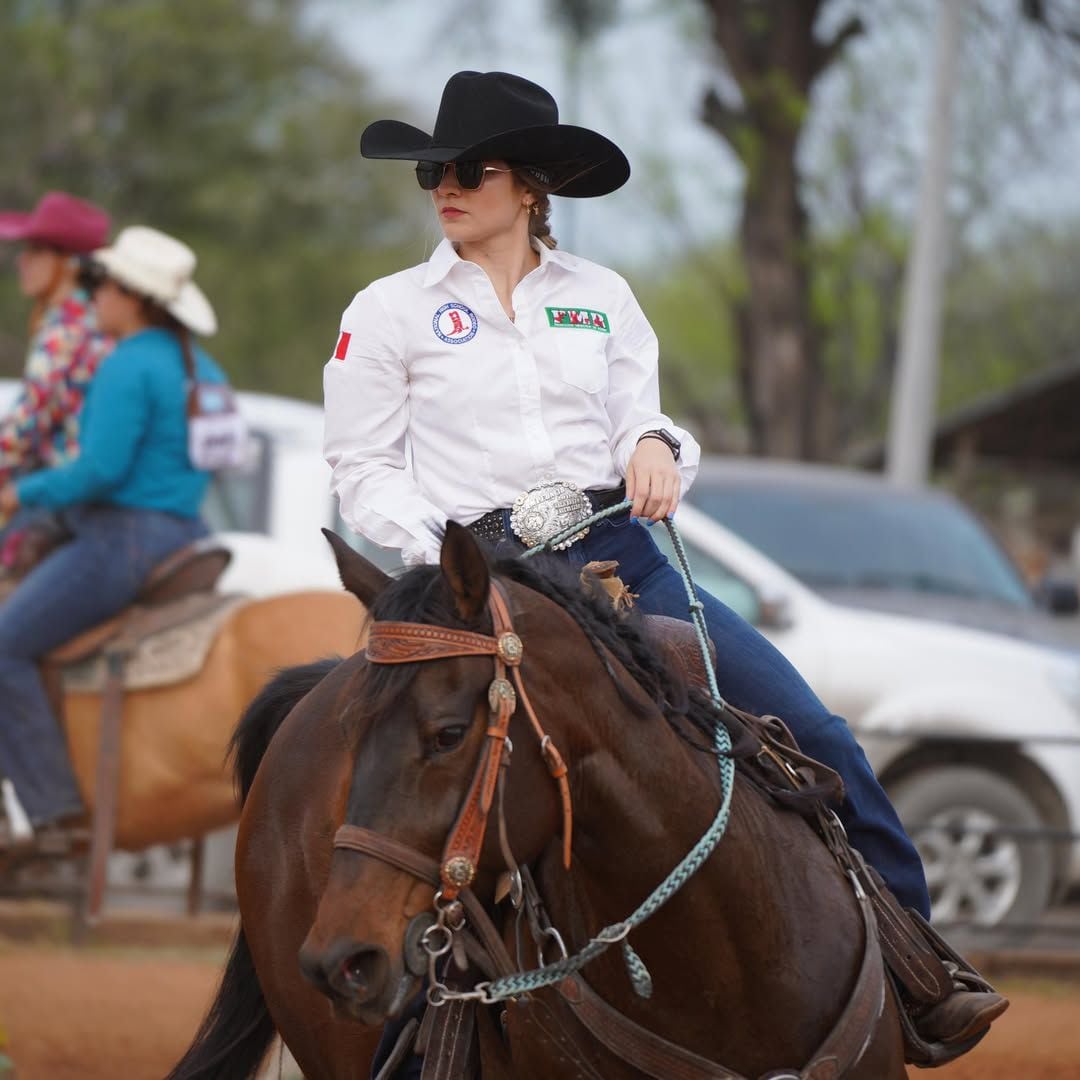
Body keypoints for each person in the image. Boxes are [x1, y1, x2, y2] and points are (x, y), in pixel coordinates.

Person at [323, 70, 1006, 1066]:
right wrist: (452, 558)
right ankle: (403, 1037)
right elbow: (360, 472)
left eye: (473, 167)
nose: (446, 184)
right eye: (435, 168)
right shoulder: (388, 313)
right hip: (482, 575)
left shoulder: (602, 299)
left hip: (617, 555)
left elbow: (643, 415)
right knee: (428, 780)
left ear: (528, 188)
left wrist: (651, 445)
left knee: (808, 727)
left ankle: (914, 957)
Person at [0, 225, 229, 850]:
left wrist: (23, 492)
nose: (92, 294)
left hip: (122, 540)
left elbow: (98, 470)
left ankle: (49, 813)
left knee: (6, 646)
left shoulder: (127, 364)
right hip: (189, 532)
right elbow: (220, 458)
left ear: (133, 297)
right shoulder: (200, 365)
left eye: (101, 284)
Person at [0, 191, 113, 557]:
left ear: (67, 263)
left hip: (61, 487)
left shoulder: (65, 329)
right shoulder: (95, 319)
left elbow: (26, 426)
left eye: (36, 251)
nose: (23, 261)